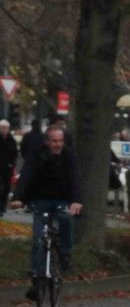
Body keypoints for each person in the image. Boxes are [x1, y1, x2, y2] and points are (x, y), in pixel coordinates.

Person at [9, 124, 82, 291]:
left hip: (62, 198)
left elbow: (74, 178)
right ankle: (36, 274)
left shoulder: (68, 155)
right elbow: (27, 175)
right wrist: (18, 198)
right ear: (47, 142)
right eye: (54, 141)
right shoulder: (37, 155)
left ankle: (65, 252)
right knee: (38, 238)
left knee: (65, 218)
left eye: (60, 141)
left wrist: (76, 200)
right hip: (40, 199)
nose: (58, 145)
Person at [0, 120, 16, 216]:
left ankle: (2, 206)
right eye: (2, 127)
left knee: (6, 188)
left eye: (6, 128)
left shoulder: (11, 140)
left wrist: (11, 164)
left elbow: (14, 153)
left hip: (7, 168)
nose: (4, 130)